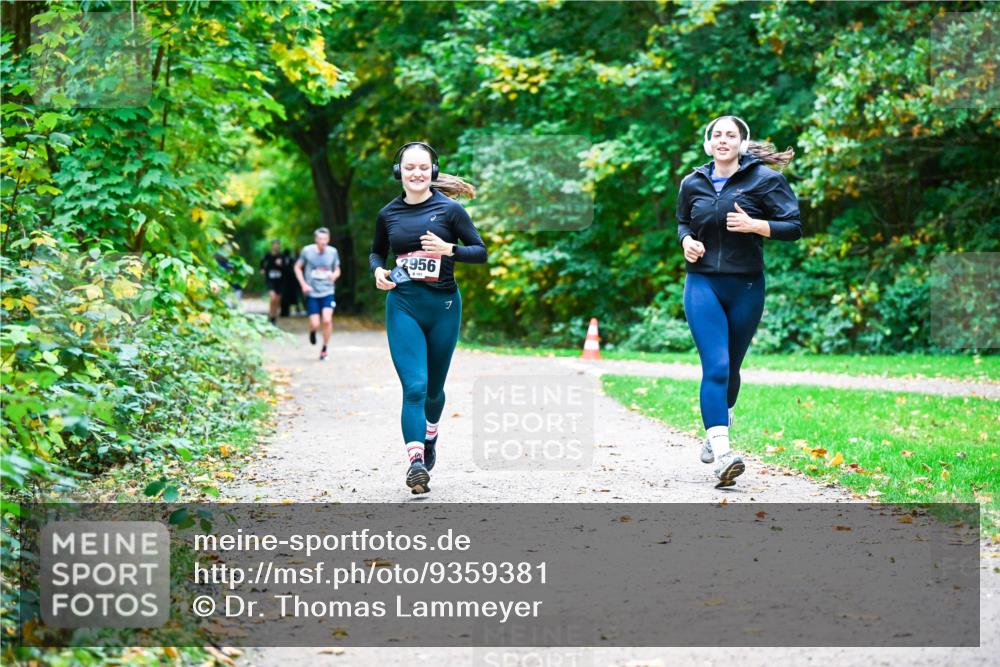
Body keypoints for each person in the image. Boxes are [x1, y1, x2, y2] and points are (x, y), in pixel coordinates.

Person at [676, 115, 801, 487]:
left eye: (731, 135)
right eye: (717, 135)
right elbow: (683, 221)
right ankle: (723, 453)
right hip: (702, 285)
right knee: (715, 366)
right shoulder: (691, 182)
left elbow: (793, 226)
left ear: (742, 143)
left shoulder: (765, 181)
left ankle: (720, 421)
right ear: (708, 143)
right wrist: (686, 241)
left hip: (746, 286)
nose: (723, 140)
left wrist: (755, 226)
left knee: (730, 368)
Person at [370, 142, 486, 494]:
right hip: (403, 304)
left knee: (434, 390)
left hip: (444, 308)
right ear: (399, 173)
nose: (416, 174)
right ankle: (416, 462)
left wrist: (449, 249)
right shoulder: (388, 214)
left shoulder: (451, 211)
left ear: (432, 171)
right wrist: (378, 270)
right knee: (415, 387)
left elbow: (480, 252)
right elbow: (377, 251)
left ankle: (430, 433)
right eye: (409, 168)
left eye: (423, 167)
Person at [294, 228, 341, 360]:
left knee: (327, 320)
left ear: (329, 239)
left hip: (328, 291)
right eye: (320, 239)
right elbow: (297, 267)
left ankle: (324, 349)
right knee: (315, 323)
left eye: (325, 239)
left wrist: (334, 275)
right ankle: (313, 331)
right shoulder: (307, 251)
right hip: (312, 292)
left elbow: (337, 269)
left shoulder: (333, 252)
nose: (323, 242)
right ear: (316, 240)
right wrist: (303, 284)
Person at [260, 240, 285, 325]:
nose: (276, 246)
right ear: (272, 246)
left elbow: (287, 267)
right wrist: (262, 269)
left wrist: (281, 264)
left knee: (277, 300)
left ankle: (274, 317)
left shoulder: (282, 256)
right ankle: (270, 315)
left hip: (280, 281)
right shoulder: (267, 255)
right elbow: (262, 263)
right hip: (270, 280)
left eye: (277, 245)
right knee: (273, 298)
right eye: (274, 245)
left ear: (279, 246)